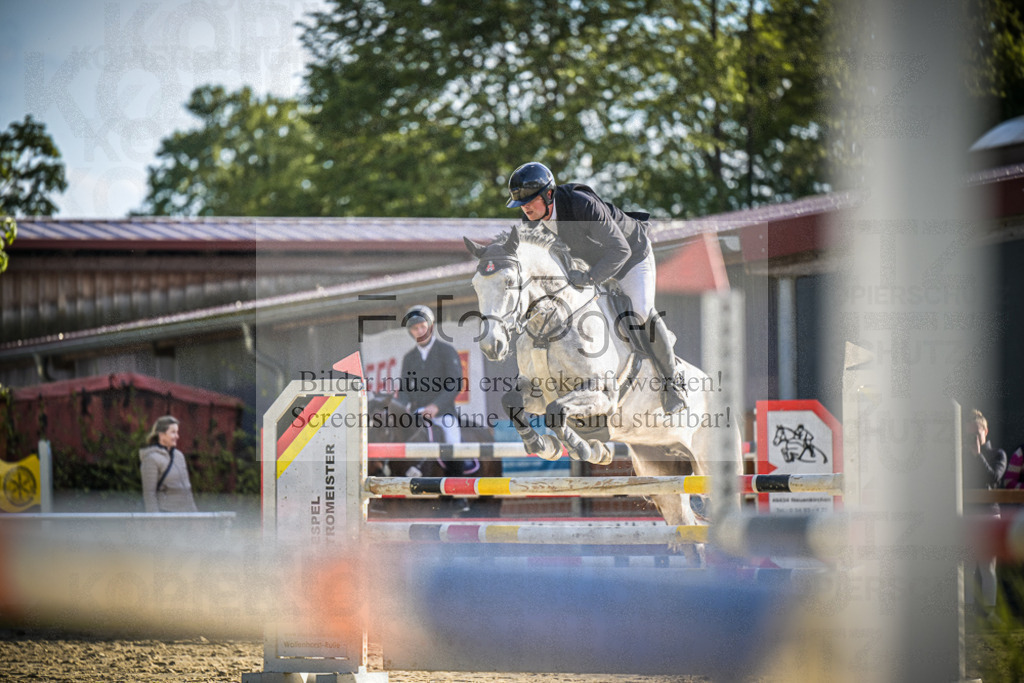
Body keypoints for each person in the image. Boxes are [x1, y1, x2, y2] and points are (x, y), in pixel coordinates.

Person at [505, 161, 687, 413]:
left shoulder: (581, 204)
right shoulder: (531, 221)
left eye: (530, 200)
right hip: (591, 263)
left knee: (641, 311)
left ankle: (672, 381)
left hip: (630, 256)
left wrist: (591, 278)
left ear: (549, 194)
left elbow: (619, 250)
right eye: (521, 204)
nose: (525, 208)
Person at [962, 408, 1007, 613]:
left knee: (987, 567)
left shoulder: (998, 454)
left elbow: (993, 478)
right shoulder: (961, 457)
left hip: (989, 515)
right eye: (969, 433)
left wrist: (977, 455)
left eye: (976, 433)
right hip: (967, 515)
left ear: (985, 431)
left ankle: (989, 613)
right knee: (968, 567)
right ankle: (968, 611)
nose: (974, 437)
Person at [139, 415, 198, 513]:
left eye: (177, 432)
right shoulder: (151, 459)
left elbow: (187, 488)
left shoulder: (179, 456)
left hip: (185, 514)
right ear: (161, 435)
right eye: (173, 432)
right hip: (166, 514)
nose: (177, 436)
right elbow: (149, 494)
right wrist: (155, 520)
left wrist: (195, 514)